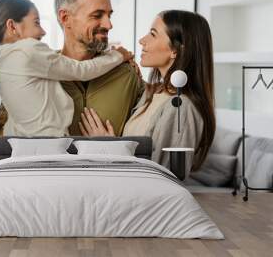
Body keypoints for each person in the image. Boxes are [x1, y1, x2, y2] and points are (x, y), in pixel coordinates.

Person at [0, 0, 134, 146]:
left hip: (21, 148)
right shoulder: (28, 50)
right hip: (51, 147)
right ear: (12, 26)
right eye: (36, 23)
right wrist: (117, 56)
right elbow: (81, 70)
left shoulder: (4, 63)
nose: (43, 31)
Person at [80, 10, 216, 176]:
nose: (142, 41)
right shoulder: (153, 93)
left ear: (176, 50)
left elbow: (165, 177)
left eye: (153, 34)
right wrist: (120, 62)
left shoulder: (181, 107)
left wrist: (108, 147)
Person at [55, 0, 143, 136]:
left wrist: (112, 147)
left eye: (109, 15)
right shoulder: (38, 75)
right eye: (97, 16)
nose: (109, 25)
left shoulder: (127, 74)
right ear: (65, 18)